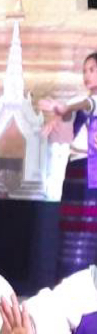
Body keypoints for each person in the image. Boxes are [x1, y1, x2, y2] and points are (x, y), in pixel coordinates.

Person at [38, 51, 97, 281]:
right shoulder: (81, 103)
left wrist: (65, 109)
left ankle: (80, 286)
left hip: (90, 173)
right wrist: (57, 116)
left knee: (85, 232)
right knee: (70, 231)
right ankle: (67, 284)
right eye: (84, 71)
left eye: (92, 70)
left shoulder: (87, 102)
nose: (86, 75)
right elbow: (76, 110)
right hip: (75, 170)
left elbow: (87, 103)